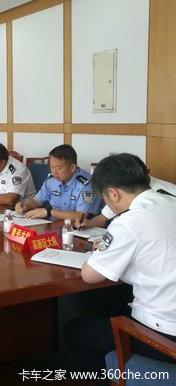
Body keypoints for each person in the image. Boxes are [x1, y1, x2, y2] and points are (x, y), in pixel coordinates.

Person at [64, 153, 176, 379]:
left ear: (113, 194)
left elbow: (90, 276)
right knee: (113, 302)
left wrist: (99, 252)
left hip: (165, 333)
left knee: (75, 331)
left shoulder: (129, 221)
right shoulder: (170, 201)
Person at [16, 144, 101, 220]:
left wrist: (49, 212)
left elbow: (81, 216)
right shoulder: (52, 180)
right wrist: (25, 206)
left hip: (79, 229)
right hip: (54, 225)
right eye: (52, 167)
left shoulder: (86, 184)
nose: (54, 172)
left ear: (72, 167)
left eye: (58, 168)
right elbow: (37, 201)